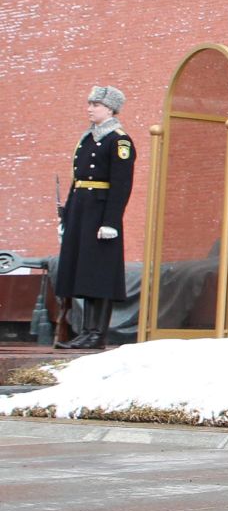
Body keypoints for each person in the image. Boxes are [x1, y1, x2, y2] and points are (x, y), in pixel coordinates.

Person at [54, 86, 134, 350]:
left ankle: (97, 334)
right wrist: (66, 217)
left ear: (110, 109)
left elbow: (121, 184)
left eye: (95, 105)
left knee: (99, 273)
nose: (89, 108)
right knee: (85, 272)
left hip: (101, 215)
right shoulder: (87, 138)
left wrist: (111, 221)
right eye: (89, 103)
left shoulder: (118, 140)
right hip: (81, 212)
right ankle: (86, 332)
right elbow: (77, 180)